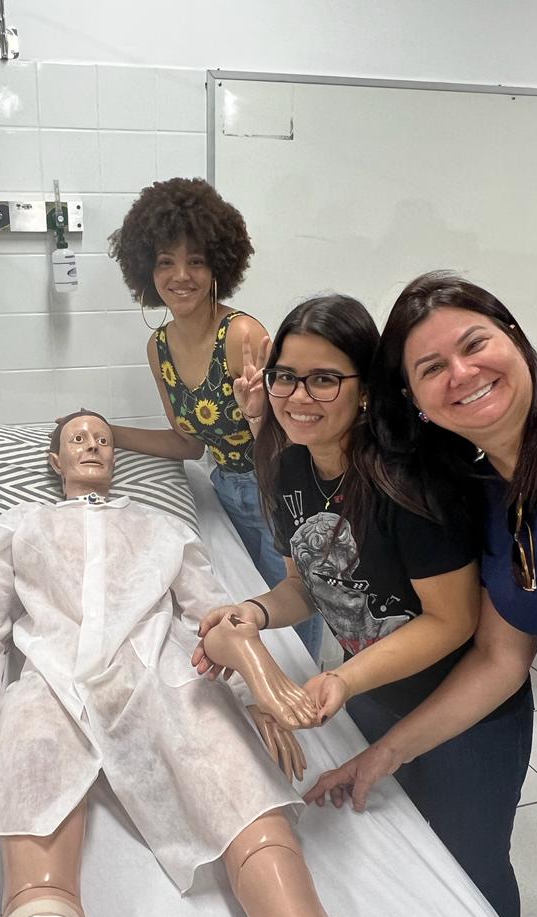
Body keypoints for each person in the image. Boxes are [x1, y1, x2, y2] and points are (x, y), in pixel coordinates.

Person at [0, 408, 376, 917]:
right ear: (56, 461)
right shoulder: (20, 525)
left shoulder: (164, 529)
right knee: (38, 892)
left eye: (103, 439)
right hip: (52, 685)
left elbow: (214, 614)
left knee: (271, 854)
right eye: (78, 439)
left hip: (168, 681)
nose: (93, 445)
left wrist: (255, 697)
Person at [197, 293, 534, 917]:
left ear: (366, 392)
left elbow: (452, 621)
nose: (299, 396)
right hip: (377, 697)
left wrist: (344, 679)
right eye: (286, 377)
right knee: (402, 854)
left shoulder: (406, 482)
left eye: (324, 379)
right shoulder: (288, 467)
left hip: (469, 713)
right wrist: (253, 612)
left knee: (473, 869)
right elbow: (304, 586)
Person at [304, 271, 537, 917]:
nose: (461, 374)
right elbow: (499, 659)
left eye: (475, 344)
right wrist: (383, 755)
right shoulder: (479, 498)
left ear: (515, 339)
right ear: (415, 402)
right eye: (432, 368)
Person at [108, 177, 322, 658]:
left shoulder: (240, 334)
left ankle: (309, 694)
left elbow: (293, 438)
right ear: (146, 270)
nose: (180, 276)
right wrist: (110, 433)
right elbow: (188, 443)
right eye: (165, 262)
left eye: (196, 261)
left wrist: (257, 415)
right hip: (226, 490)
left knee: (293, 622)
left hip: (278, 488)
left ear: (218, 267)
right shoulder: (158, 347)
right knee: (250, 610)